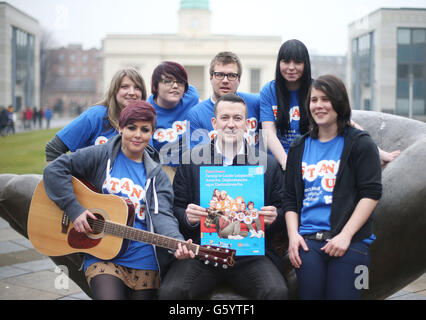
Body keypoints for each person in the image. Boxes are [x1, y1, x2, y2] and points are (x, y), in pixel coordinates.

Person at [43, 101, 194, 300]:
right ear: (121, 128)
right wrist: (75, 209)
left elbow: (163, 215)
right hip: (103, 255)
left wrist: (177, 242)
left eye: (145, 129)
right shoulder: (102, 155)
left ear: (152, 133)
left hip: (144, 259)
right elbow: (54, 169)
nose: (138, 134)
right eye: (131, 127)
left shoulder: (158, 176)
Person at [159, 93, 288, 300]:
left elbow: (284, 210)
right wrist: (187, 217)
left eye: (237, 118)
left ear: (247, 124)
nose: (231, 124)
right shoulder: (191, 161)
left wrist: (275, 216)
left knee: (276, 291)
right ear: (214, 122)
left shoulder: (267, 165)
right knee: (171, 292)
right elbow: (174, 209)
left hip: (249, 254)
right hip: (202, 252)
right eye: (224, 118)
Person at [283, 75, 382, 300]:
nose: (318, 105)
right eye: (314, 100)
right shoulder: (299, 146)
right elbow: (289, 198)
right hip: (308, 245)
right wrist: (293, 237)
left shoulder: (361, 143)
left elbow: (372, 193)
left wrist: (345, 236)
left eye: (325, 99)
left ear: (339, 102)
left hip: (352, 244)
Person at [260, 39, 400, 171]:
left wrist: (378, 152)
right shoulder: (269, 91)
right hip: (281, 163)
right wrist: (286, 162)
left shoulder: (315, 89)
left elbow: (343, 122)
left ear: (305, 64)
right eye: (286, 62)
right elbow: (268, 132)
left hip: (312, 160)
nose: (291, 67)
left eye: (297, 62)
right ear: (279, 63)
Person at [45, 68, 147, 161]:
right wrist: (64, 180)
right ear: (115, 90)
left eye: (137, 88)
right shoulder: (95, 115)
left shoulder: (145, 124)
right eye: (125, 87)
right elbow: (54, 148)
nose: (132, 92)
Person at [186, 51, 260, 149]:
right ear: (211, 77)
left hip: (253, 163)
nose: (225, 80)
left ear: (239, 80)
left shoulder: (256, 103)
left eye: (231, 75)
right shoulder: (196, 114)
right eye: (219, 75)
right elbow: (195, 158)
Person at [147, 61, 199, 179]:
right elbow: (148, 156)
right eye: (168, 81)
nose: (175, 86)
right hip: (162, 168)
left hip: (190, 165)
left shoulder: (191, 96)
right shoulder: (147, 112)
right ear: (155, 86)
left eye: (180, 82)